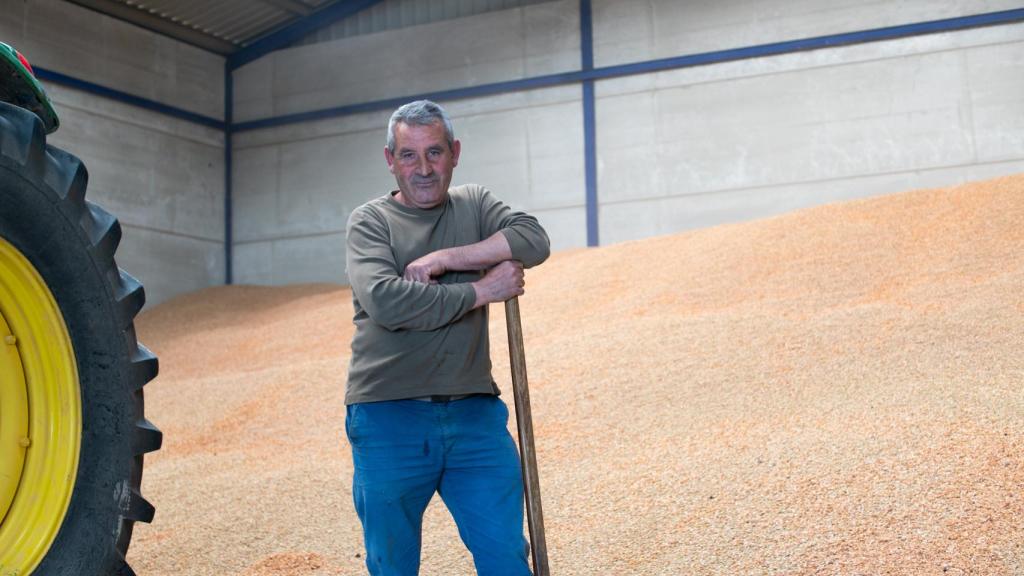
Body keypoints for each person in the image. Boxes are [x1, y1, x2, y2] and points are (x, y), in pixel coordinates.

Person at [344, 99, 550, 576]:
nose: (423, 168)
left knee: (505, 558)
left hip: (475, 415)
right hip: (388, 415)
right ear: (389, 159)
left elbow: (533, 239)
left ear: (455, 152)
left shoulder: (475, 204)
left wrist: (447, 259)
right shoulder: (370, 222)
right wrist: (483, 290)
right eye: (409, 155)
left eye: (434, 152)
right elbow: (388, 303)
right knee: (392, 564)